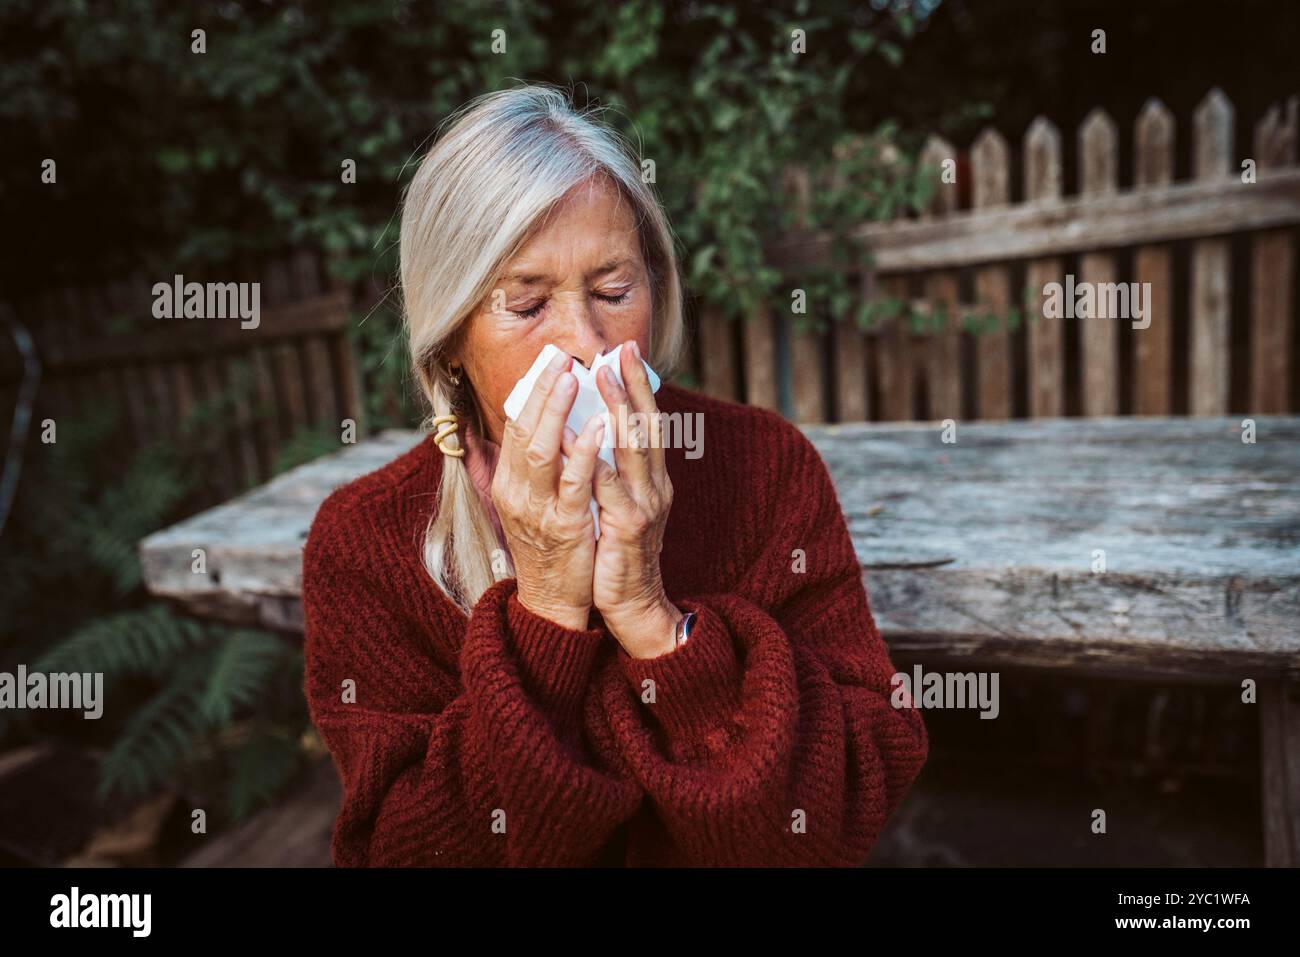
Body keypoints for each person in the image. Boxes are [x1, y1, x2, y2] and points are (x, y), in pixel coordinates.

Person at [301, 84, 928, 866]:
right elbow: (404, 849)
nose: (585, 340)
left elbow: (828, 822)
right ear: (450, 338)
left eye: (612, 292)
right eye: (526, 303)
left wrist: (652, 618)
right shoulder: (365, 541)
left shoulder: (763, 466)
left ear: (654, 289)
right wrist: (546, 616)